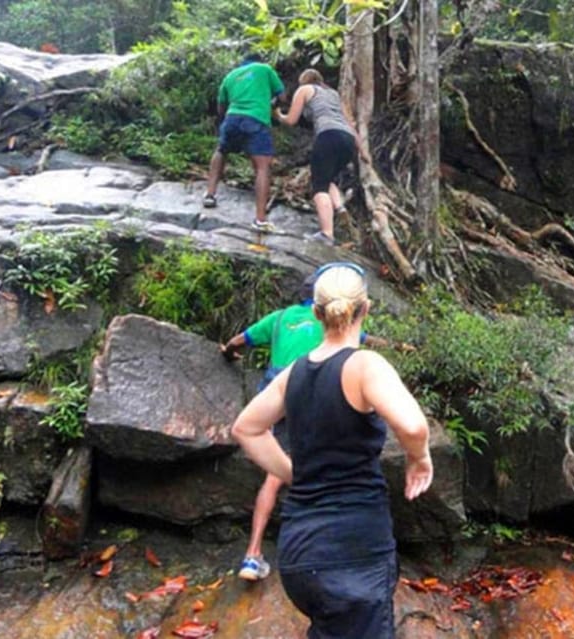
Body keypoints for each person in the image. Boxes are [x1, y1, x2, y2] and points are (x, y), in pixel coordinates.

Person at [231, 262, 432, 638]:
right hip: (353, 555)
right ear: (365, 308)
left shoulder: (293, 373)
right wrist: (419, 459)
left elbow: (246, 428)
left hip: (299, 556)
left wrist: (295, 474)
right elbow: (413, 426)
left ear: (315, 312)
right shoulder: (364, 365)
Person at [221, 273, 324, 580]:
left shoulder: (279, 318)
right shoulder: (329, 320)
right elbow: (358, 340)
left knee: (273, 476)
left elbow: (238, 341)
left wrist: (228, 353)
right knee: (309, 469)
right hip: (306, 398)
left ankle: (252, 556)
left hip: (273, 400)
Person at [274, 69, 367, 247]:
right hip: (347, 140)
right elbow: (349, 122)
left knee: (318, 187)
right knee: (327, 178)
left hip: (327, 135)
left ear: (304, 81)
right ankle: (340, 208)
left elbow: (292, 120)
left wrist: (278, 115)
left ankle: (327, 234)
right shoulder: (333, 94)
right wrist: (363, 152)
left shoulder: (305, 89)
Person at [203, 52, 285, 233]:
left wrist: (228, 119)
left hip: (232, 118)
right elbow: (282, 96)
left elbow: (221, 107)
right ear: (259, 60)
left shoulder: (230, 76)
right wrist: (271, 105)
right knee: (262, 167)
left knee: (221, 151)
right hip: (256, 119)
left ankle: (210, 194)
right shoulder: (264, 69)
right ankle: (260, 220)